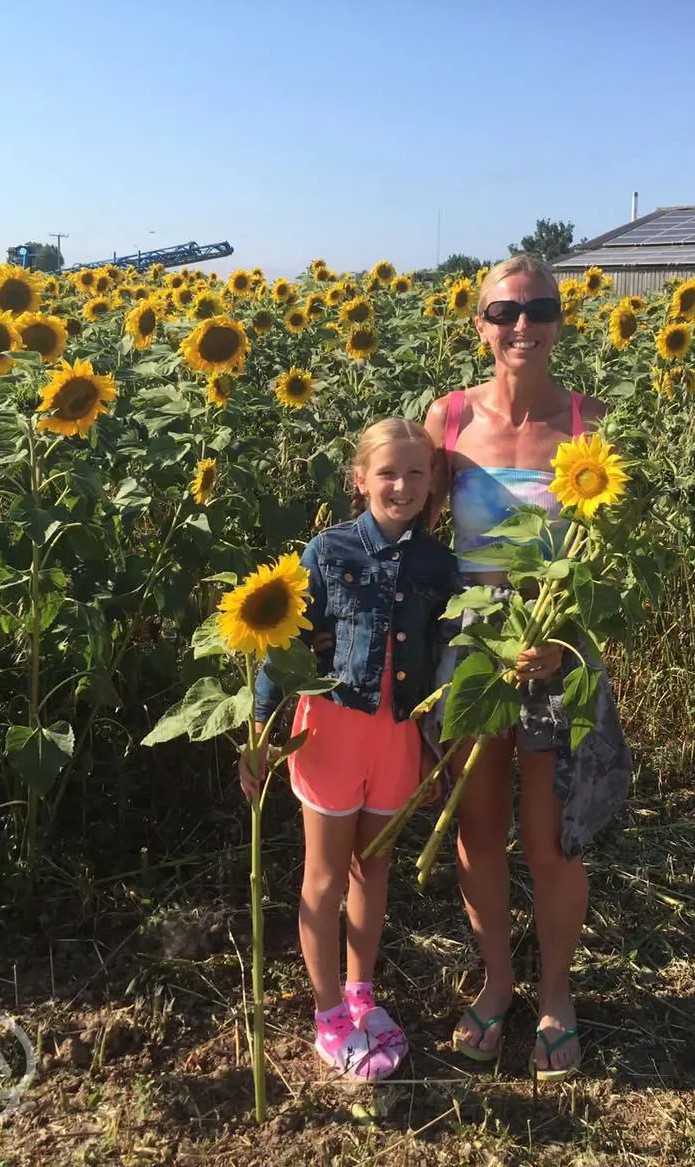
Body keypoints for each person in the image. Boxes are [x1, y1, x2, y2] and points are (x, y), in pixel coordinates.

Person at [423, 253, 632, 1081]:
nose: (522, 326)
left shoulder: (591, 422)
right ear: (479, 324)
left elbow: (609, 557)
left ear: (558, 321)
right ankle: (497, 983)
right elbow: (415, 530)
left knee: (552, 843)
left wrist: (566, 635)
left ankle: (554, 995)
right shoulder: (447, 419)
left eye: (538, 309)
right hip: (472, 647)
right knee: (478, 833)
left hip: (556, 645)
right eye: (504, 312)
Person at [245, 419, 458, 1082]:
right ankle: (329, 1011)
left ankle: (362, 991)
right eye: (388, 473)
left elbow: (445, 657)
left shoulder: (437, 564)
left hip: (398, 736)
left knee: (375, 868)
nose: (402, 485)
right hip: (332, 728)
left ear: (432, 485)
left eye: (416, 474)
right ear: (360, 478)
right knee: (324, 874)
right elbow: (281, 643)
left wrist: (443, 744)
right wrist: (259, 731)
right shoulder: (327, 550)